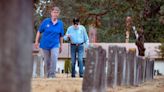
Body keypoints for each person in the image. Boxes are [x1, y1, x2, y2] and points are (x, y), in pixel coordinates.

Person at [35, 6, 64, 78]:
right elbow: (39, 31)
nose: (55, 14)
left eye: (57, 13)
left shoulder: (60, 23)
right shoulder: (46, 21)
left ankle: (52, 75)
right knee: (47, 61)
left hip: (55, 45)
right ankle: (48, 75)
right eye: (54, 12)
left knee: (54, 59)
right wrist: (36, 41)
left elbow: (61, 36)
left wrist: (61, 45)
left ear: (58, 14)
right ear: (51, 13)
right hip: (45, 45)